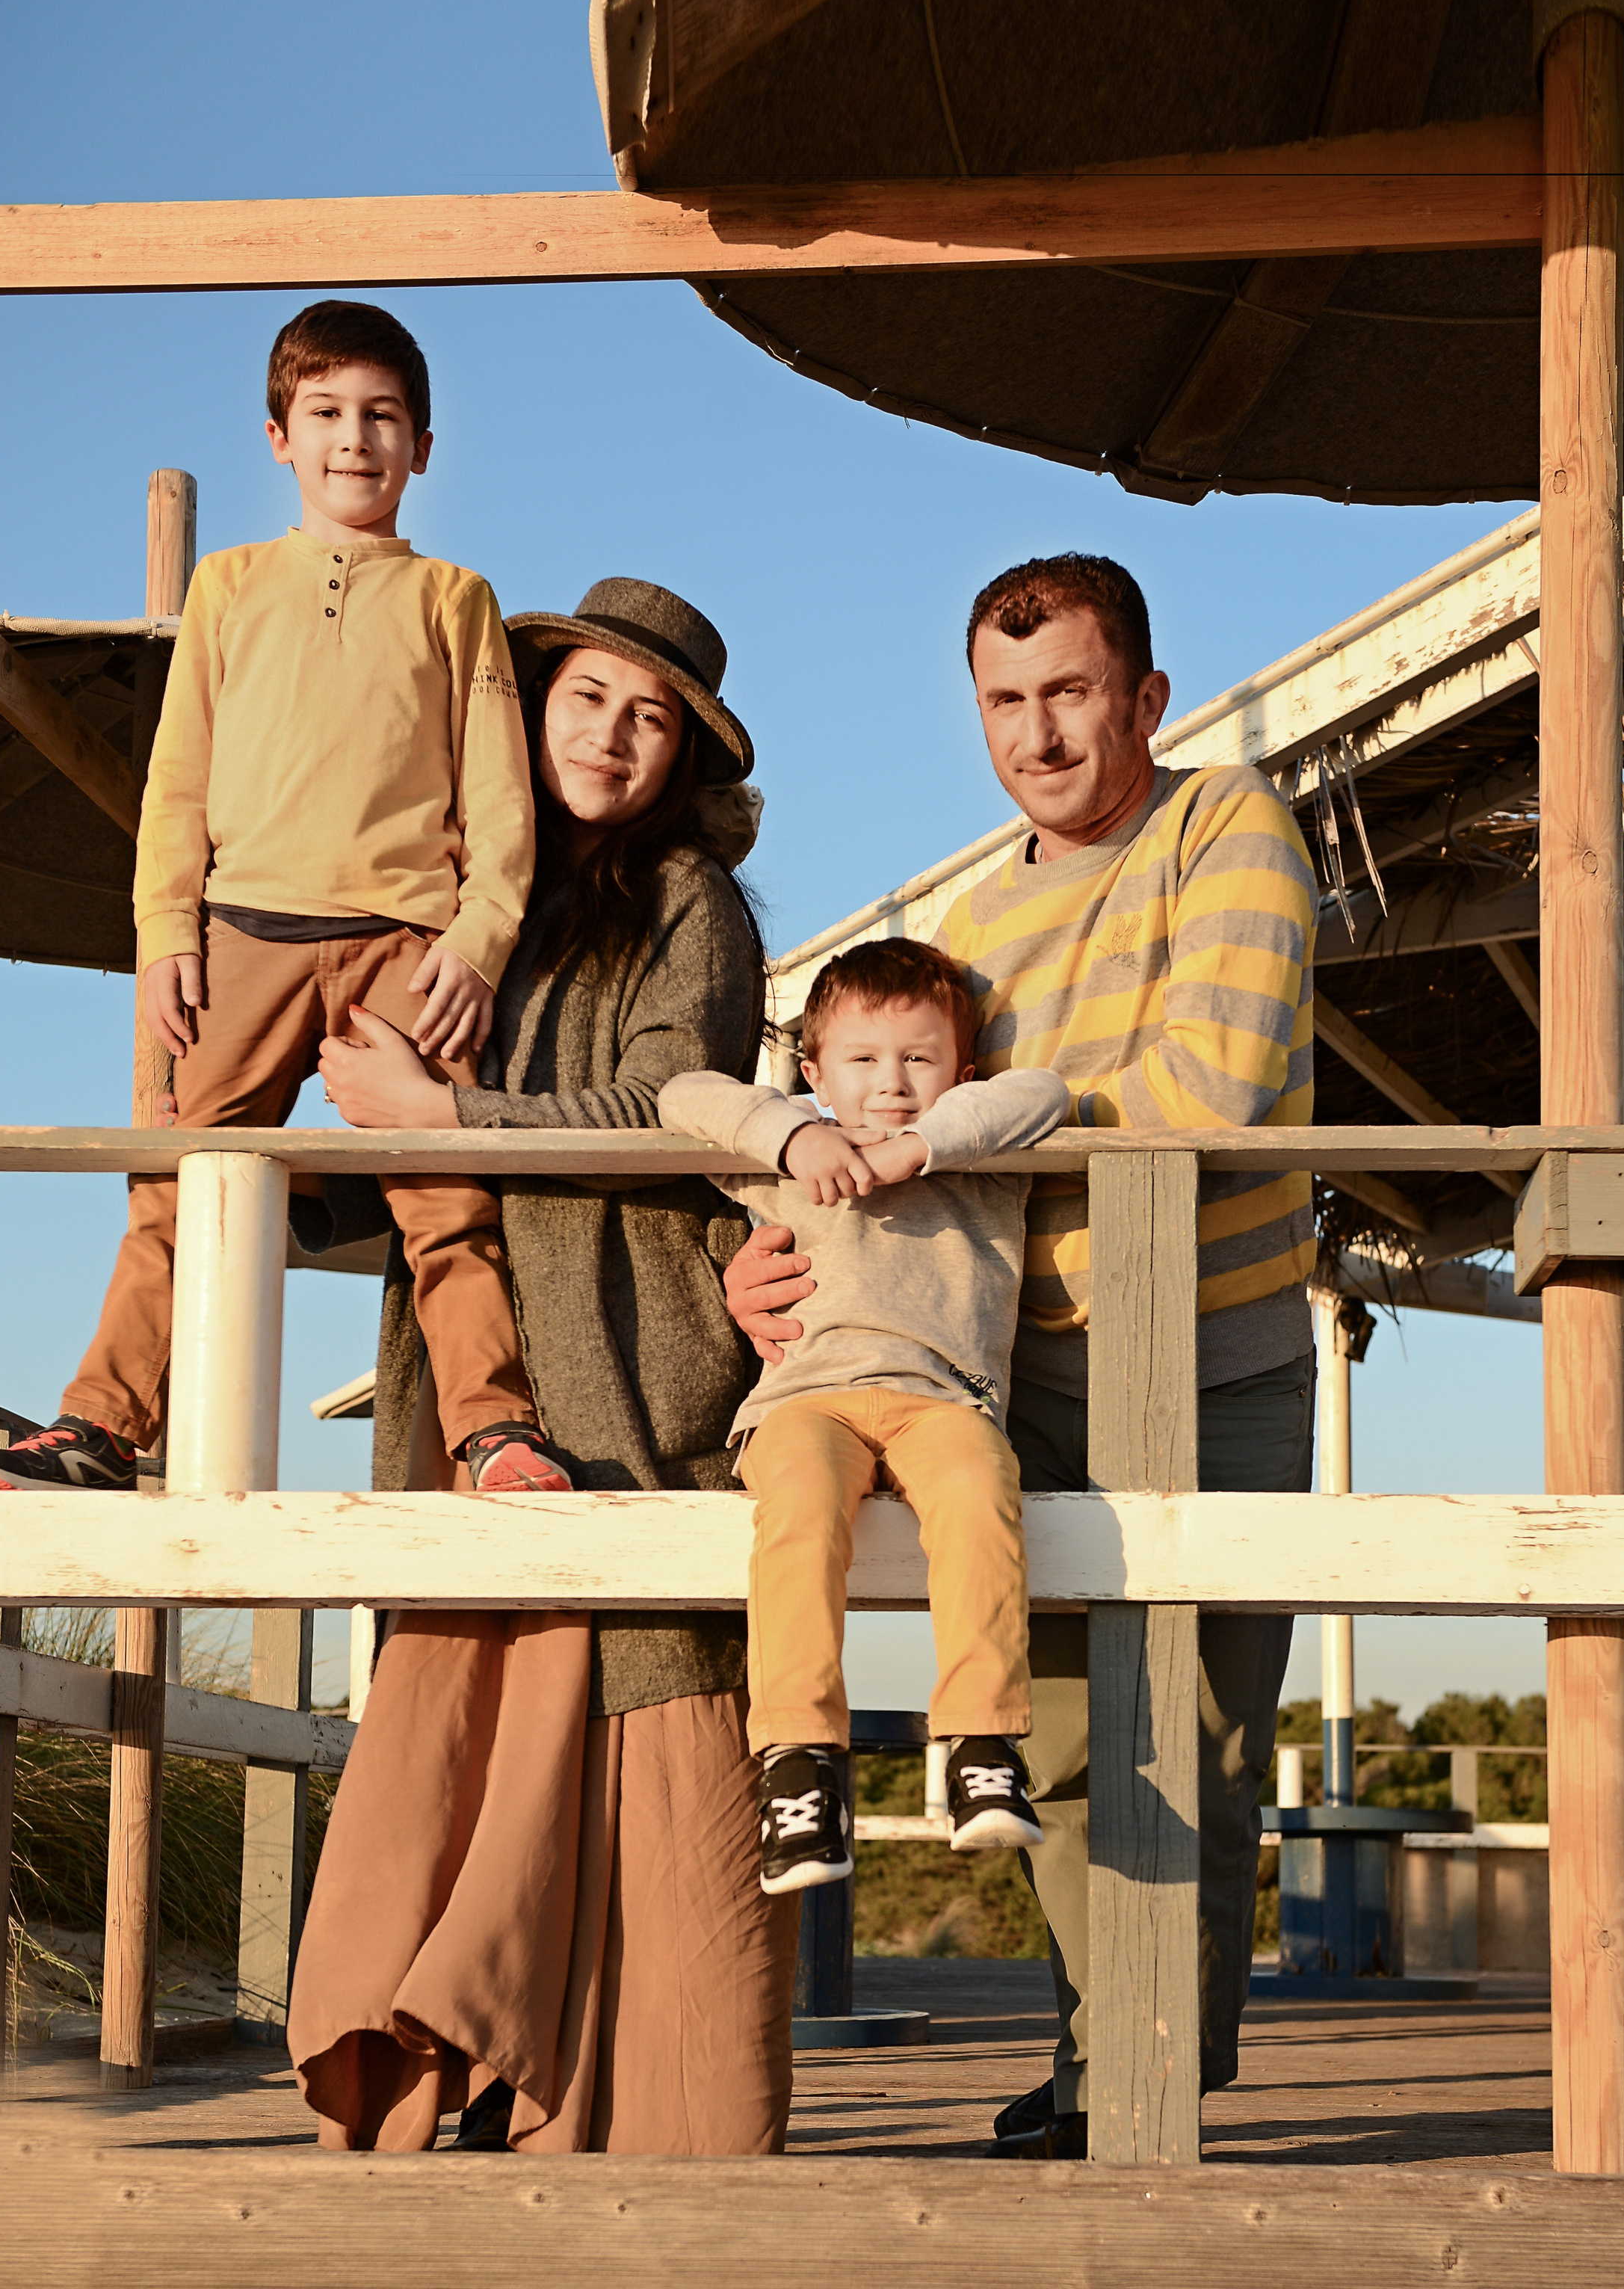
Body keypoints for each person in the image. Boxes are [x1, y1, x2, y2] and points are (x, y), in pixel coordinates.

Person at [725, 554, 1318, 2159]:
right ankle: (1096, 2062)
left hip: (1212, 1351)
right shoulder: (972, 926)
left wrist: (971, 1129)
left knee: (1201, 1739)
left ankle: (1151, 2074)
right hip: (1012, 1371)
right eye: (1004, 701)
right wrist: (775, 1252)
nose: (1038, 734)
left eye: (1069, 692)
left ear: (1144, 696)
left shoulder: (1226, 827)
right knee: (1054, 1743)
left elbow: (1213, 1084)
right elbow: (886, 1151)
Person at [287, 577, 797, 2155]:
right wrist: (313, 1169)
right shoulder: (453, 892)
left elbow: (670, 1113)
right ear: (533, 704)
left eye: (651, 720)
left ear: (683, 759)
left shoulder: (691, 904)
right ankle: (441, 2065)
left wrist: (439, 1116)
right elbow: (380, 1113)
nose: (614, 736)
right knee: (465, 1684)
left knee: (650, 1691)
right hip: (468, 1366)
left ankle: (659, 2122)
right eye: (589, 698)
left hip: (631, 1354)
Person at [0, 300, 567, 1500]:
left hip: (407, 947)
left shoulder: (457, 597)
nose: (355, 438)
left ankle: (495, 1432)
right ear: (279, 436)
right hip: (242, 934)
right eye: (326, 413)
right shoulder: (229, 587)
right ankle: (99, 1430)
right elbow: (176, 782)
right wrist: (164, 935)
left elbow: (500, 799)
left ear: (423, 446)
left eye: (382, 416)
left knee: (447, 1198)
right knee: (174, 1181)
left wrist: (481, 942)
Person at [660, 940, 1071, 1894]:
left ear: (960, 1071)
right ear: (814, 1070)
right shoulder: (789, 1159)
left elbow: (1044, 1092)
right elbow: (683, 1094)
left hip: (944, 1400)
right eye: (861, 1059)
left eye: (919, 1058)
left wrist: (912, 1150)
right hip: (806, 1403)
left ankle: (980, 1743)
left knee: (980, 1492)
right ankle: (799, 1763)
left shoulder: (978, 1156)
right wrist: (793, 1135)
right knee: (800, 1517)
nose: (891, 1082)